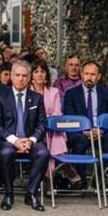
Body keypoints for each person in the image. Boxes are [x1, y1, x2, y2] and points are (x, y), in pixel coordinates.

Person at [0, 61, 50, 212]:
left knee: (43, 153)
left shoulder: (37, 98)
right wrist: (15, 140)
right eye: (17, 75)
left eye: (24, 76)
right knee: (6, 153)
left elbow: (43, 124)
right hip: (9, 140)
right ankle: (8, 193)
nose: (20, 79)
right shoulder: (2, 97)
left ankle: (31, 193)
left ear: (30, 77)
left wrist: (31, 141)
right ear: (11, 76)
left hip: (30, 140)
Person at [30, 58, 82, 188]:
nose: (40, 74)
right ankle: (64, 168)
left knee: (54, 134)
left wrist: (45, 120)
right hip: (32, 130)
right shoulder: (27, 92)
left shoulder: (54, 92)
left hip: (51, 129)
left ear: (47, 74)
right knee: (49, 135)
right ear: (31, 75)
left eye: (43, 71)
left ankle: (48, 177)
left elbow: (57, 113)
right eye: (36, 71)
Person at [63, 61, 108, 180]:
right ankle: (80, 179)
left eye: (93, 74)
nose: (89, 77)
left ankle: (98, 179)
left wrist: (101, 130)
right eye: (86, 73)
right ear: (81, 75)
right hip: (79, 132)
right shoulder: (71, 93)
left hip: (100, 132)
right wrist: (83, 131)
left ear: (99, 77)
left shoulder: (106, 93)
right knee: (80, 142)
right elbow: (69, 116)